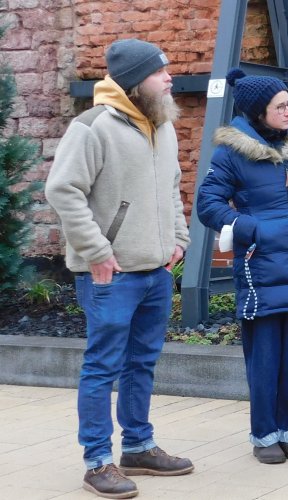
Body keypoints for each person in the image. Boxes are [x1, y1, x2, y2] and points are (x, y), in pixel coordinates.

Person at [46, 38, 194, 498]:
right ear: (135, 80)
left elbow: (172, 186)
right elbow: (63, 189)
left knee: (142, 365)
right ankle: (97, 461)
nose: (169, 77)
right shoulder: (92, 127)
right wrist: (96, 250)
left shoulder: (162, 124)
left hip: (154, 271)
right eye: (160, 71)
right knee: (102, 367)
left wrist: (179, 238)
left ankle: (138, 446)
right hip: (110, 274)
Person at [195, 69, 288, 464]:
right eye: (280, 106)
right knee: (264, 359)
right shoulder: (232, 153)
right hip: (260, 270)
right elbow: (207, 203)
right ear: (259, 111)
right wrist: (249, 228)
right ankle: (264, 436)